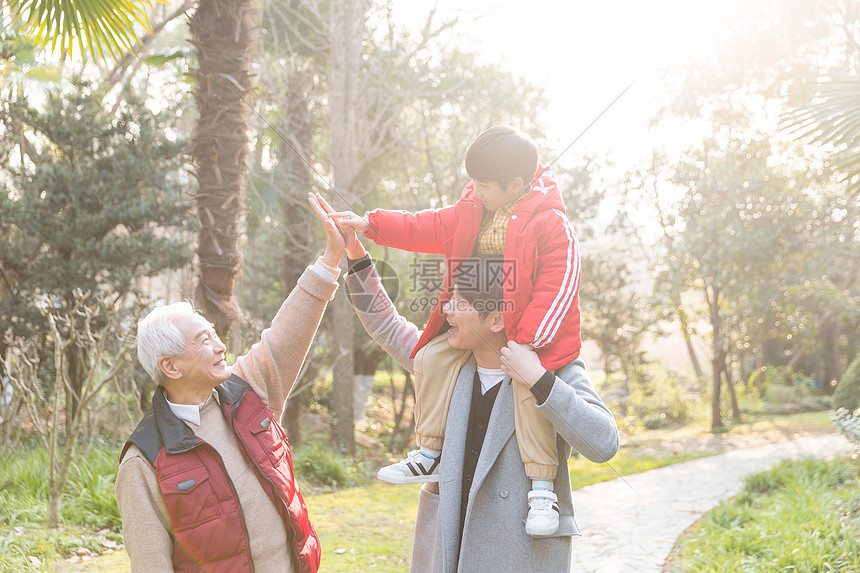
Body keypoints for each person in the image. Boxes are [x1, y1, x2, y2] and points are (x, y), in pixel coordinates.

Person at [326, 125, 583, 535]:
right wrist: (370, 226)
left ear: (515, 184)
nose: (475, 190)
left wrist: (530, 344)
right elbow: (423, 226)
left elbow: (560, 281)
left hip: (533, 337)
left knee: (528, 388)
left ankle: (541, 488)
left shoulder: (550, 224)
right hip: (487, 320)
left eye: (483, 185)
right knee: (428, 355)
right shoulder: (472, 206)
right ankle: (430, 450)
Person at [331, 233, 619, 572]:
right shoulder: (445, 364)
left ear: (497, 318)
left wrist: (540, 381)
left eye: (460, 303)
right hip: (448, 549)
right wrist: (355, 253)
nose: (447, 310)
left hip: (520, 556)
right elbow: (387, 325)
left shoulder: (555, 367)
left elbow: (604, 445)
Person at [115, 200, 347, 573]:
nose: (221, 345)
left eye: (215, 333)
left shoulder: (248, 392)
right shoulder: (144, 459)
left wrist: (331, 257)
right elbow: (150, 563)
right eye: (204, 339)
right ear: (170, 366)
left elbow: (287, 333)